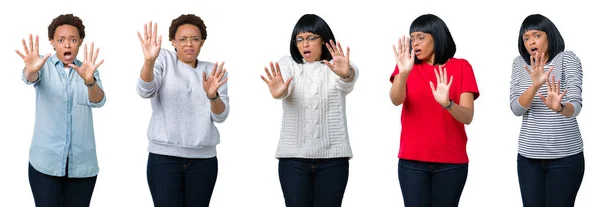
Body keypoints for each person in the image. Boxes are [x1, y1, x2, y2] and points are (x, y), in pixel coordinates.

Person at [260, 14, 358, 207]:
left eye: (311, 38)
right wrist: (279, 91)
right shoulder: (288, 64)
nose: (305, 44)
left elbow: (348, 81)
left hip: (333, 159)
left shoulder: (337, 65)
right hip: (293, 161)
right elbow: (282, 88)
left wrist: (347, 73)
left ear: (323, 39)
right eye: (300, 39)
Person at [136, 14, 229, 207]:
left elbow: (220, 116)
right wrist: (148, 62)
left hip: (203, 160)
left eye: (195, 39)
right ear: (173, 42)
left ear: (202, 42)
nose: (189, 44)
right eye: (183, 39)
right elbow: (145, 90)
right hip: (164, 159)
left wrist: (212, 96)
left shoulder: (213, 71)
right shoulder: (163, 59)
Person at [388, 14, 479, 207]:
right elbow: (396, 100)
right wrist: (403, 74)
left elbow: (468, 116)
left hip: (451, 162)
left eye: (421, 37)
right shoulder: (406, 67)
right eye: (412, 38)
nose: (414, 43)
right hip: (412, 161)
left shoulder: (462, 66)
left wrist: (448, 104)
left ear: (437, 37)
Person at [17, 13, 106, 207]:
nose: (67, 45)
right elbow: (29, 77)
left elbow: (99, 101)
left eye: (73, 40)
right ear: (52, 42)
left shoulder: (89, 69)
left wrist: (89, 81)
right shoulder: (42, 65)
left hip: (82, 167)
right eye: (61, 40)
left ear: (80, 41)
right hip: (45, 165)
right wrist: (31, 69)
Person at [510, 14, 585, 207]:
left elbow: (575, 107)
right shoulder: (520, 64)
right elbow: (516, 109)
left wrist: (559, 107)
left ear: (549, 36)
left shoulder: (566, 59)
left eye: (536, 35)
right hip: (528, 159)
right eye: (526, 38)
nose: (530, 42)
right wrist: (534, 86)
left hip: (565, 158)